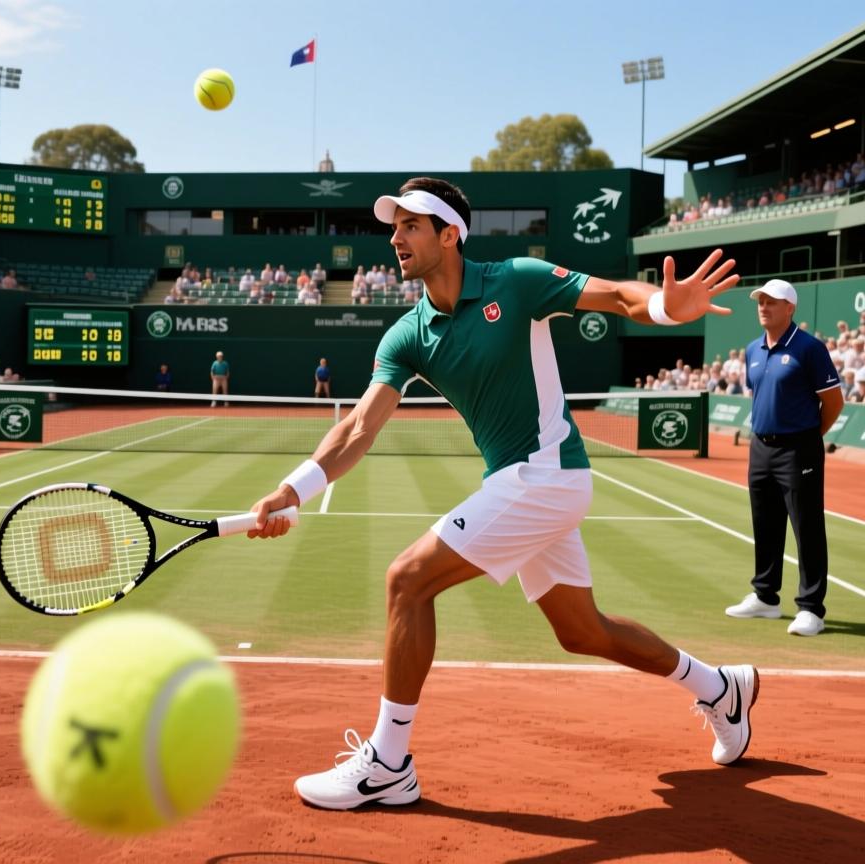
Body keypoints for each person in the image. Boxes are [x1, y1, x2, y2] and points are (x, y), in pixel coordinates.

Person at [244, 177, 754, 811]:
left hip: (545, 475)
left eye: (411, 225)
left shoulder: (515, 279)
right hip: (524, 484)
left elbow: (618, 295)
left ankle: (389, 763)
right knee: (584, 631)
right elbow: (357, 428)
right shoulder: (406, 335)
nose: (396, 238)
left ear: (449, 233)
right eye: (394, 226)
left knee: (407, 580)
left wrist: (663, 308)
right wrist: (293, 488)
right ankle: (719, 687)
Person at [726, 279, 844, 638]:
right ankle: (765, 597)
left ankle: (811, 609)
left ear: (790, 308)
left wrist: (808, 437)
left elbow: (834, 402)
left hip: (799, 448)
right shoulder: (753, 349)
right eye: (760, 300)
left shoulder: (809, 348)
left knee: (807, 527)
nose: (764, 306)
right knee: (765, 523)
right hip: (760, 447)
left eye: (772, 301)